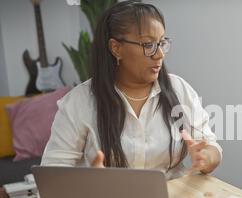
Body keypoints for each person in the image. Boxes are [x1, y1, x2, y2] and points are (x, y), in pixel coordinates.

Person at [41, 1, 222, 179]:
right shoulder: (79, 102)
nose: (160, 54)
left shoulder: (180, 89)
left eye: (161, 43)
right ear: (116, 48)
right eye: (148, 45)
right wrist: (89, 185)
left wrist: (206, 157)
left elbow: (210, 145)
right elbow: (52, 178)